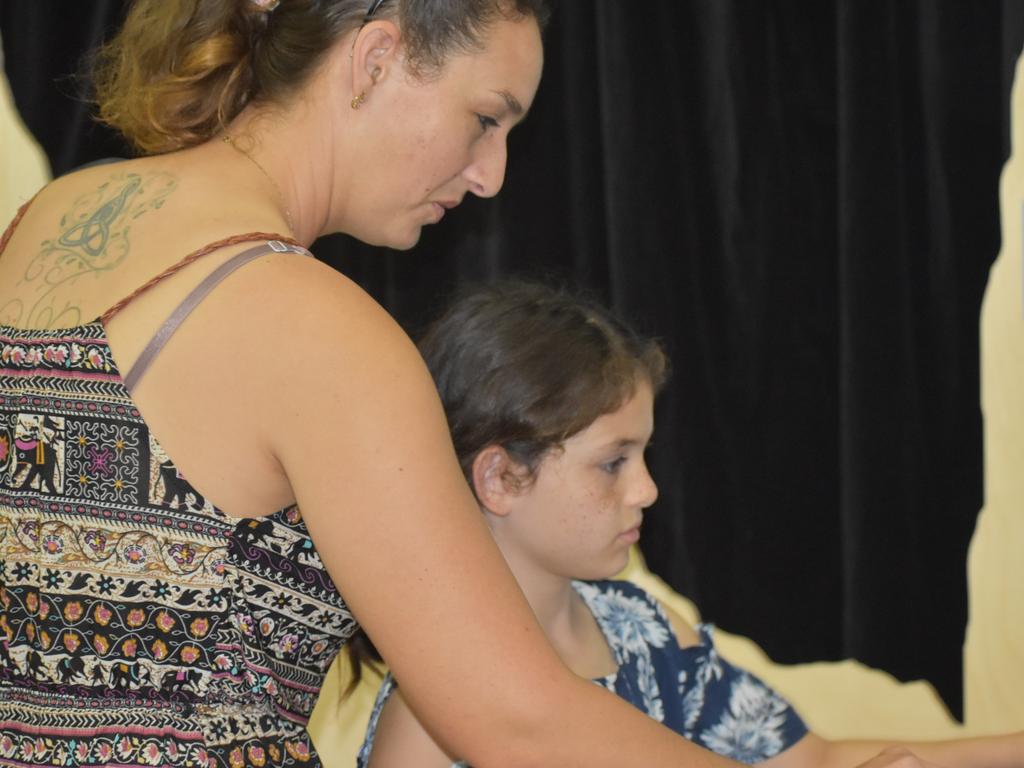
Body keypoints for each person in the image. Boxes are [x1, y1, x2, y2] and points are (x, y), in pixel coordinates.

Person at [0, 0, 953, 766]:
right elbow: (518, 723)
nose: (493, 173)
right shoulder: (320, 330)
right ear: (374, 59)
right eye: (485, 117)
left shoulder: (50, 218)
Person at [354, 280, 1024, 768]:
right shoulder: (435, 705)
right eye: (612, 463)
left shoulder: (644, 630)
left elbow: (810, 759)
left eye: (642, 455)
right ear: (500, 478)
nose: (647, 489)